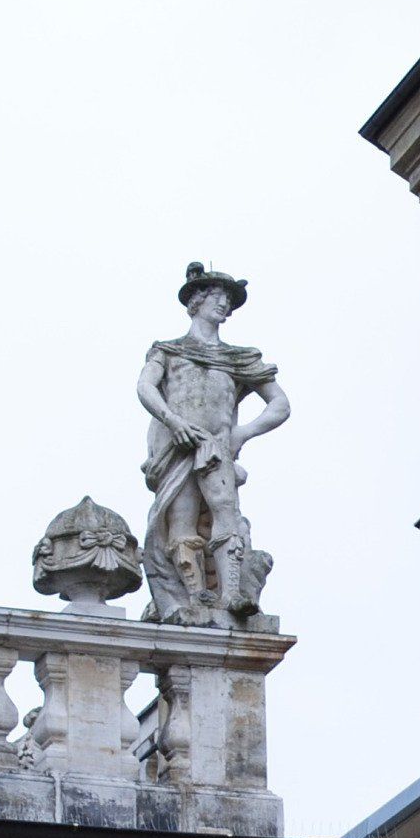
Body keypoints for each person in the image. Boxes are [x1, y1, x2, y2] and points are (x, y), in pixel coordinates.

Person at [137, 264, 288, 625]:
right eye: (217, 298)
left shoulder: (238, 358)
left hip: (216, 445)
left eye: (228, 301)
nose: (224, 306)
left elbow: (280, 404)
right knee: (182, 519)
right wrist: (173, 422)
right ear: (197, 301)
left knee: (226, 512)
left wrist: (243, 432)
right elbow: (145, 387)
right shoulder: (169, 351)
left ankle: (232, 593)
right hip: (178, 447)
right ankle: (192, 596)